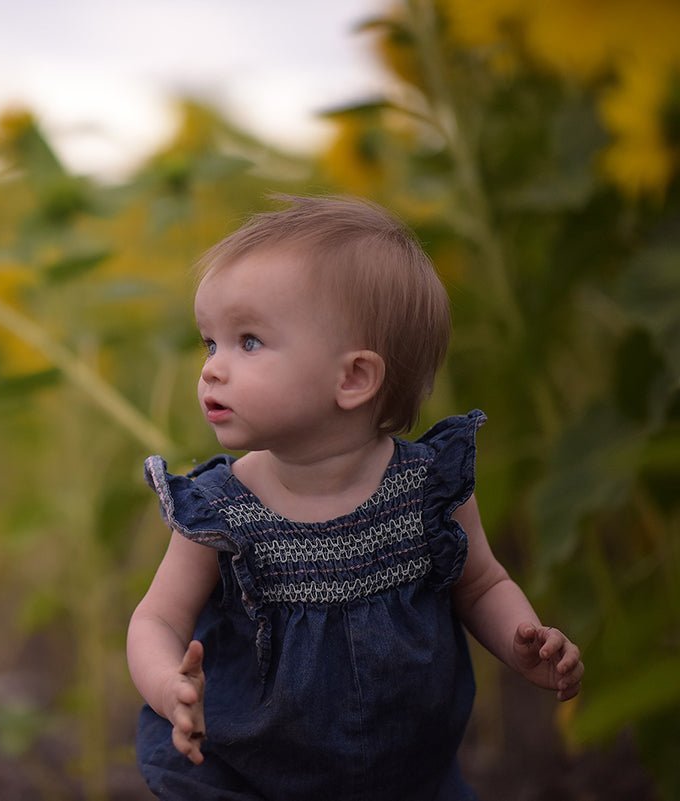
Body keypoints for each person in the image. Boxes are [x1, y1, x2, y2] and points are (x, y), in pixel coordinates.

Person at [126, 195, 584, 800]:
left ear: (354, 378)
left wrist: (523, 638)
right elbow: (157, 618)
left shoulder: (427, 490)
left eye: (250, 342)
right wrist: (168, 685)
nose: (212, 369)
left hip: (408, 773)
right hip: (255, 773)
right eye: (210, 343)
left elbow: (482, 585)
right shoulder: (221, 510)